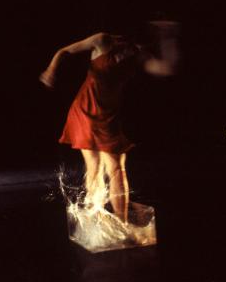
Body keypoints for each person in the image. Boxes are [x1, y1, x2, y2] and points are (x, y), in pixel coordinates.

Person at [40, 22, 179, 223]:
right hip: (85, 111)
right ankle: (94, 218)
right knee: (95, 167)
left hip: (109, 117)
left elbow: (166, 68)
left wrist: (169, 37)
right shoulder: (102, 40)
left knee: (117, 169)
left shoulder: (139, 54)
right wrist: (51, 70)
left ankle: (121, 223)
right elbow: (64, 51)